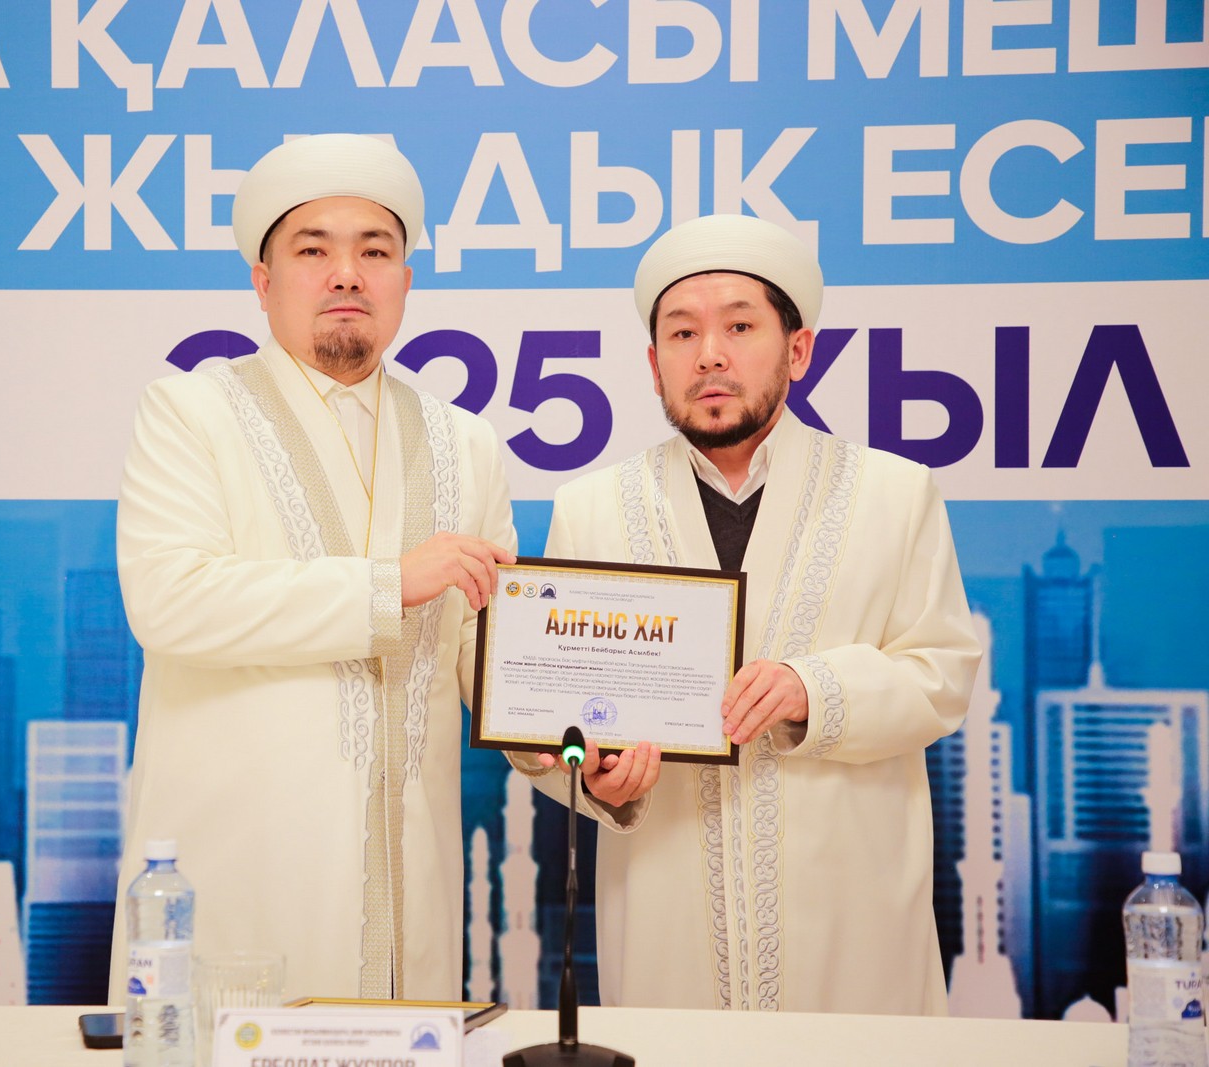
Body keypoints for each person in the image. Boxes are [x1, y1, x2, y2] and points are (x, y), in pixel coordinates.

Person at [510, 214, 980, 1015]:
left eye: (739, 326)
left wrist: (813, 689)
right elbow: (554, 721)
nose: (710, 355)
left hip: (857, 927)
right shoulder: (591, 508)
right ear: (654, 365)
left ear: (798, 350)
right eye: (682, 333)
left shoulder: (894, 494)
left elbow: (942, 676)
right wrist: (598, 777)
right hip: (665, 927)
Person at [111, 134, 517, 1003]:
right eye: (313, 250)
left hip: (411, 892)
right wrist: (386, 584)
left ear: (405, 278)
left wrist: (575, 751)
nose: (346, 275)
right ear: (262, 281)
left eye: (375, 251)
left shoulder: (467, 444)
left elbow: (491, 660)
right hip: (241, 881)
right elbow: (169, 601)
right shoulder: (191, 411)